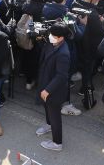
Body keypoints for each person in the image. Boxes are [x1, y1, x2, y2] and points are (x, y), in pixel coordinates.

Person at [35, 23, 71, 152]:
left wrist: (47, 90)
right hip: (46, 82)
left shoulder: (63, 53)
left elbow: (61, 76)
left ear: (61, 37)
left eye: (53, 35)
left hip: (54, 90)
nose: (50, 37)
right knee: (47, 109)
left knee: (55, 115)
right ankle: (48, 125)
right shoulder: (53, 44)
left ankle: (57, 143)